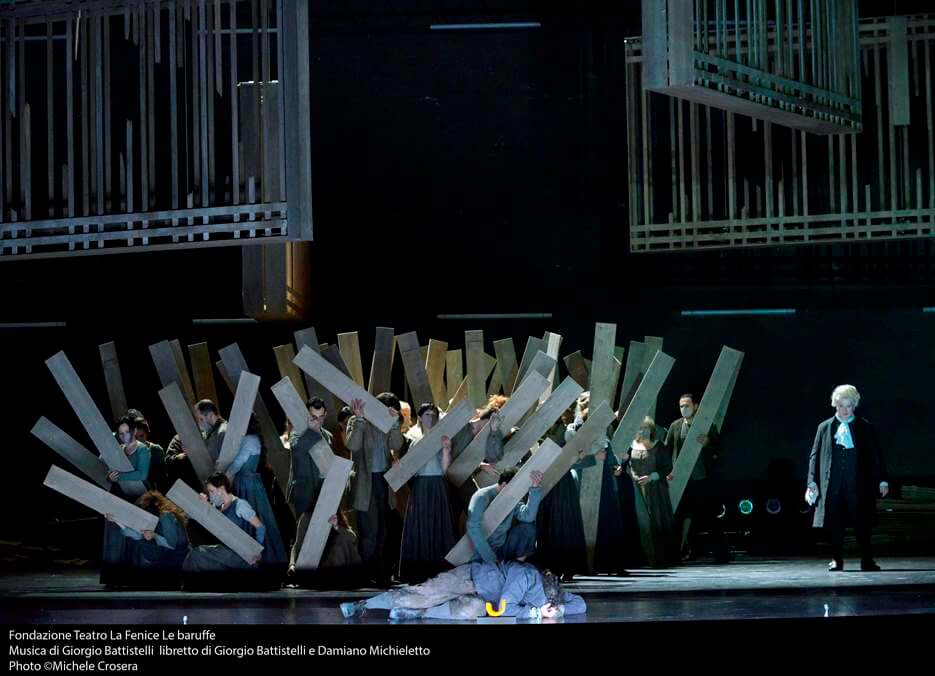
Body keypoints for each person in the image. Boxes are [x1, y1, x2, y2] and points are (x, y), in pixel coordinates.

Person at [806, 384, 888, 572]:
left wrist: (882, 480)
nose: (845, 410)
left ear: (854, 405)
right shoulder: (824, 427)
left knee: (863, 522)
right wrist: (811, 481)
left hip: (858, 484)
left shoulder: (864, 427)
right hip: (833, 484)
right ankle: (836, 559)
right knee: (835, 523)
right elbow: (814, 455)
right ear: (835, 405)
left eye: (848, 406)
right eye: (841, 405)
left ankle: (867, 559)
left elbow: (876, 455)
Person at [339, 560, 586, 621]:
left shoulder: (552, 592)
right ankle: (363, 605)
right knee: (421, 595)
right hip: (469, 579)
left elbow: (580, 604)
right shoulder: (525, 577)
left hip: (483, 598)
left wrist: (561, 610)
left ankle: (416, 615)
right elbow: (505, 609)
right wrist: (536, 614)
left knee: (468, 612)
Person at [345, 392, 405, 585]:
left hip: (383, 482)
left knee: (383, 530)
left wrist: (394, 424)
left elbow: (397, 444)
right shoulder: (357, 420)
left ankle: (380, 573)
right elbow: (352, 445)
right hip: (366, 482)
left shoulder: (388, 425)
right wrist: (360, 420)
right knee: (368, 530)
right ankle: (365, 574)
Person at [398, 403, 458, 583]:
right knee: (420, 523)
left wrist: (446, 449)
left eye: (433, 415)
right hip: (421, 487)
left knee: (438, 523)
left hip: (437, 485)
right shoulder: (414, 441)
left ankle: (438, 567)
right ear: (420, 418)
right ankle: (419, 568)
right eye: (427, 415)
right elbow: (408, 469)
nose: (430, 418)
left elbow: (444, 469)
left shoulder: (441, 439)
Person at [665, 393, 727, 563]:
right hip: (681, 480)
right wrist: (668, 471)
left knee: (709, 516)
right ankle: (677, 554)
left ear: (695, 406)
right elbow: (667, 450)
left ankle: (720, 554)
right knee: (679, 516)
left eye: (687, 405)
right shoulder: (675, 426)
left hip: (702, 478)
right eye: (681, 406)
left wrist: (708, 443)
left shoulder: (706, 425)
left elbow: (719, 449)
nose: (684, 409)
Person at [223, 415, 287, 570]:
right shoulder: (253, 438)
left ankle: (261, 559)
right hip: (251, 483)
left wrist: (223, 481)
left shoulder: (249, 440)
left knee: (251, 520)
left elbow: (237, 464)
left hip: (246, 484)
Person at [535, 405, 588, 581]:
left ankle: (567, 567)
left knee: (563, 522)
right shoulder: (540, 431)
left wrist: (578, 455)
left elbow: (576, 456)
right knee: (547, 523)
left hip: (561, 482)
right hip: (545, 481)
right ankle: (550, 566)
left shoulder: (565, 431)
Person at [103, 490, 190, 587]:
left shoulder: (166, 516)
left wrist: (154, 536)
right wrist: (116, 520)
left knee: (145, 544)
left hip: (176, 556)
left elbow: (171, 544)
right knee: (141, 540)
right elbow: (136, 534)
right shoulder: (152, 515)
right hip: (165, 554)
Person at [287, 397, 333, 575]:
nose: (317, 421)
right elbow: (297, 450)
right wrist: (312, 431)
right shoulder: (297, 434)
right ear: (307, 415)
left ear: (325, 415)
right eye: (314, 417)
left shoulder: (327, 435)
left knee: (321, 531)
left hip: (323, 491)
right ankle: (295, 568)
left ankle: (316, 570)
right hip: (304, 491)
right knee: (302, 532)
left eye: (321, 417)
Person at [182, 473, 264, 572]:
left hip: (241, 553)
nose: (210, 495)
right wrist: (202, 504)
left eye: (211, 491)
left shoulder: (240, 505)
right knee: (196, 556)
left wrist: (256, 550)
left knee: (197, 555)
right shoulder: (221, 506)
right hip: (227, 549)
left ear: (221, 489)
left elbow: (260, 527)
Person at [466, 467, 543, 563]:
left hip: (502, 547)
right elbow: (473, 528)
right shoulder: (481, 496)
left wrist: (535, 488)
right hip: (482, 551)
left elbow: (528, 516)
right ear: (504, 485)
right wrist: (491, 559)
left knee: (528, 529)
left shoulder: (511, 496)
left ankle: (516, 565)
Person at [631, 417, 678, 567]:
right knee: (641, 523)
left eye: (645, 428)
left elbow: (668, 467)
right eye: (640, 428)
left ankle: (662, 558)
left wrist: (651, 477)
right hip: (637, 490)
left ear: (651, 430)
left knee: (658, 522)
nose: (642, 431)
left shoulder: (659, 446)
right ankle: (644, 558)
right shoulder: (631, 446)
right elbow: (629, 466)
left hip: (656, 490)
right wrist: (634, 476)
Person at [193, 399, 227, 464]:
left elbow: (225, 464)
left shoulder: (223, 433)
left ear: (211, 415)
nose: (199, 423)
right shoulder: (208, 432)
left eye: (201, 419)